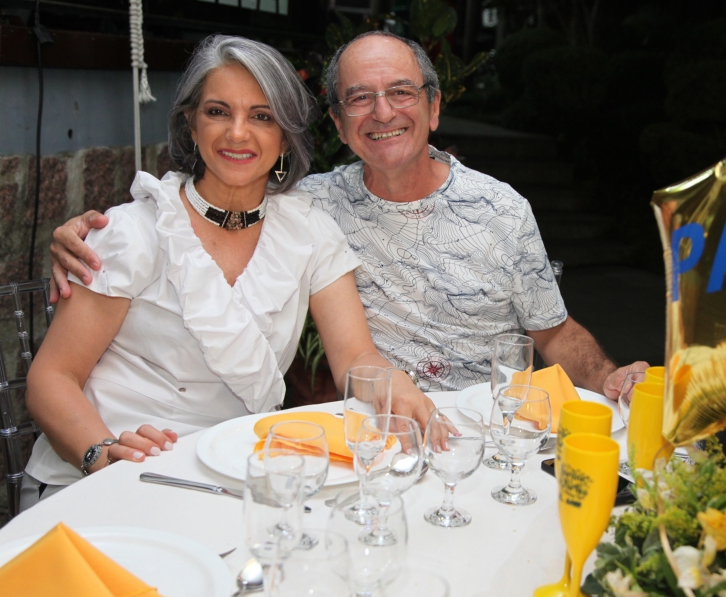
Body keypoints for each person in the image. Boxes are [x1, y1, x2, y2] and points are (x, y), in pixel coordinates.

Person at [49, 31, 648, 398]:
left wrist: (607, 376)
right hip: (381, 431)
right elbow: (211, 203)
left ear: (434, 108)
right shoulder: (309, 206)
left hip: (488, 427)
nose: (382, 112)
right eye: (360, 98)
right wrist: (89, 231)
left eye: (401, 92)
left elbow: (554, 332)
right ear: (337, 124)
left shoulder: (502, 209)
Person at [25, 35, 430, 504]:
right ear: (191, 125)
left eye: (262, 116)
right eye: (218, 112)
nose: (238, 133)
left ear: (285, 136)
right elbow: (51, 378)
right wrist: (102, 453)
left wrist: (393, 382)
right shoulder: (133, 232)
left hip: (231, 477)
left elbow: (356, 356)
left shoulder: (310, 231)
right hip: (111, 471)